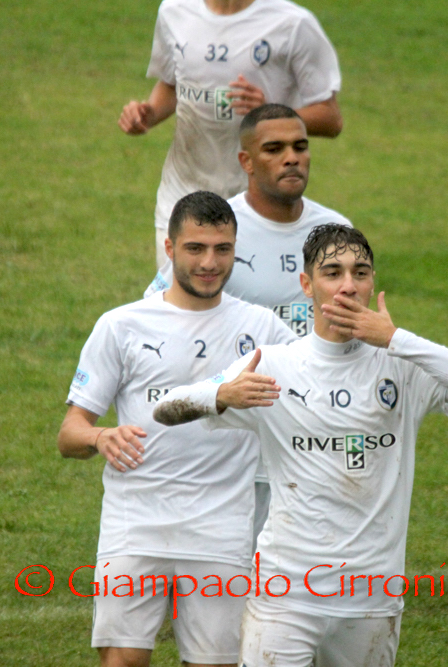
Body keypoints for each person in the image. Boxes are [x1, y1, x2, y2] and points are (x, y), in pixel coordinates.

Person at [154, 224, 448, 667]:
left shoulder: (402, 366)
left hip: (371, 596)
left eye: (360, 273)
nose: (348, 285)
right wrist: (221, 395)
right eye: (333, 273)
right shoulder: (272, 364)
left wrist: (394, 339)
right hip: (285, 594)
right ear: (306, 284)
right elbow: (165, 409)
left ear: (372, 283)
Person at [57, 191, 295, 667]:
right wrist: (100, 437)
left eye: (223, 249)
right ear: (169, 248)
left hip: (222, 525)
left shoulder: (264, 329)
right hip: (135, 522)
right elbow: (69, 433)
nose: (209, 263)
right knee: (123, 660)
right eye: (195, 248)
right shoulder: (122, 325)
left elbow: (315, 385)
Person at [146, 102, 352, 549]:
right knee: (228, 565)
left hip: (311, 428)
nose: (292, 158)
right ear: (246, 161)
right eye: (274, 149)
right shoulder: (219, 234)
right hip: (232, 439)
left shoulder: (335, 230)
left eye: (300, 146)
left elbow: (349, 326)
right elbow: (158, 314)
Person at [118, 0, 343, 267]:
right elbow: (172, 85)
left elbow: (331, 118)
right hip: (181, 197)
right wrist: (149, 114)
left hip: (258, 208)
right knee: (182, 294)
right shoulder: (174, 11)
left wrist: (270, 113)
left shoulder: (292, 24)